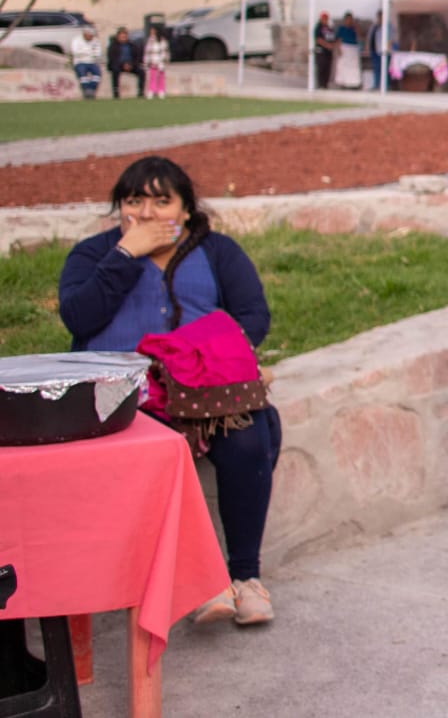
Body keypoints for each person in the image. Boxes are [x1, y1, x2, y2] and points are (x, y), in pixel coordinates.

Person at [57, 156, 281, 626]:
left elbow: (252, 317)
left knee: (252, 433)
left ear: (184, 209)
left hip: (204, 391)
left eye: (162, 201)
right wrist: (125, 255)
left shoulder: (217, 252)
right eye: (134, 200)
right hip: (123, 395)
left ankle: (245, 577)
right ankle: (201, 583)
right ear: (119, 207)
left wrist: (225, 361)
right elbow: (78, 318)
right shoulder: (93, 255)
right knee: (160, 450)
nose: (147, 212)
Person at [106, 26, 145, 100]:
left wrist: (131, 64)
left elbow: (137, 57)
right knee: (115, 71)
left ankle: (140, 92)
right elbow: (112, 58)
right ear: (118, 36)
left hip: (131, 65)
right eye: (121, 35)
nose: (123, 37)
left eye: (125, 35)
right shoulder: (113, 46)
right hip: (118, 65)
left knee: (141, 71)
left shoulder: (132, 45)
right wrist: (122, 64)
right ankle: (116, 92)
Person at [70, 26, 102, 99]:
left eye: (92, 36)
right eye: (89, 35)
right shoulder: (77, 40)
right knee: (82, 75)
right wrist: (88, 52)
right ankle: (87, 91)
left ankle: (92, 90)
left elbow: (98, 53)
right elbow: (75, 52)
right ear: (85, 34)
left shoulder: (95, 41)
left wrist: (90, 53)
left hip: (92, 62)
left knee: (97, 74)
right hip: (80, 62)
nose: (91, 37)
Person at [367, 8, 395, 91]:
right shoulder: (374, 26)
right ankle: (376, 84)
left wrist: (387, 48)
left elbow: (391, 38)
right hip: (375, 50)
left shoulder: (388, 26)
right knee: (376, 68)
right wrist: (368, 48)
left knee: (385, 69)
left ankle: (385, 85)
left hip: (384, 51)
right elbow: (370, 37)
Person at [332, 12, 361, 89]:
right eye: (348, 19)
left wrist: (356, 27)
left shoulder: (354, 28)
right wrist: (339, 49)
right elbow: (338, 39)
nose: (349, 21)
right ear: (345, 20)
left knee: (353, 67)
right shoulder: (341, 28)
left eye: (351, 19)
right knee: (343, 66)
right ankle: (343, 83)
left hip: (353, 48)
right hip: (344, 48)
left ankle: (354, 83)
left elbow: (359, 36)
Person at [142, 26, 170, 100]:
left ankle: (161, 91)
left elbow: (164, 52)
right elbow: (147, 52)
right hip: (152, 62)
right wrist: (146, 62)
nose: (152, 32)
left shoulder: (162, 41)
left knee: (161, 77)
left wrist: (162, 62)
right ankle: (151, 91)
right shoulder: (150, 40)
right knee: (152, 77)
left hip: (160, 62)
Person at [313, 12, 338, 89]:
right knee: (321, 68)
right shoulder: (318, 28)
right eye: (324, 18)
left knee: (328, 68)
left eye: (326, 18)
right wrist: (327, 45)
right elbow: (318, 39)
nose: (325, 20)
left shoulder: (329, 28)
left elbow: (333, 38)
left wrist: (332, 45)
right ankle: (320, 84)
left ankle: (325, 84)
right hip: (321, 51)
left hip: (328, 52)